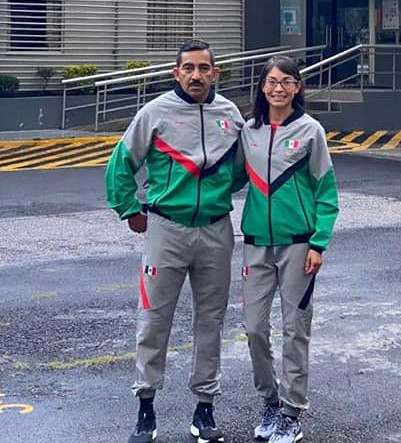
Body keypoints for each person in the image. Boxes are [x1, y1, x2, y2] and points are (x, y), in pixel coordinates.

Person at [105, 39, 245, 443]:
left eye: (204, 68)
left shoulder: (230, 115)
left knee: (211, 320)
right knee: (153, 319)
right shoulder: (155, 113)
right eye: (188, 68)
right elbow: (121, 163)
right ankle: (145, 409)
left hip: (216, 230)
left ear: (215, 73)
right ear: (176, 72)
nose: (196, 75)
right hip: (166, 230)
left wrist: (216, 194)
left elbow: (240, 170)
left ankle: (205, 407)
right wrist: (129, 209)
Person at [234, 55, 339, 443]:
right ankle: (270, 400)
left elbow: (326, 192)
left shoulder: (311, 131)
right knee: (254, 328)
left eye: (286, 82)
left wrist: (318, 242)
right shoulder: (249, 131)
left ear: (297, 87)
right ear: (262, 87)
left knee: (295, 330)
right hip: (256, 244)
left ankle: (292, 412)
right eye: (271, 82)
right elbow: (229, 178)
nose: (278, 88)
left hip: (298, 245)